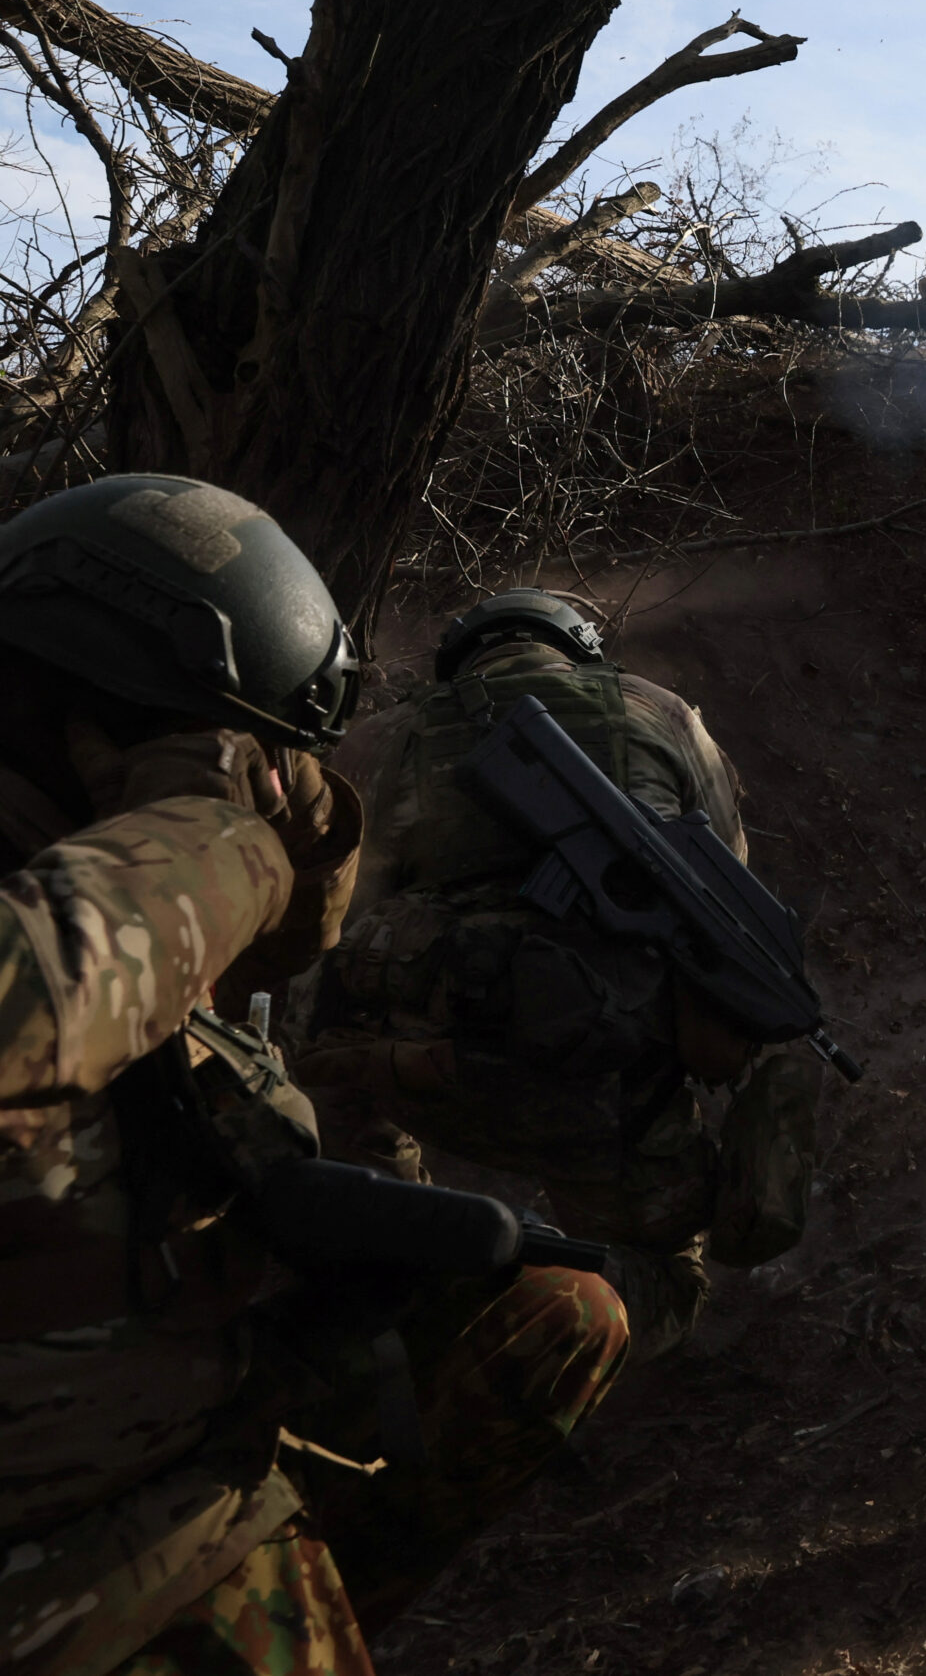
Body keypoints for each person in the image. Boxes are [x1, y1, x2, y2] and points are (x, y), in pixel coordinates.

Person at [0, 476, 627, 1674]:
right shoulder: (105, 892)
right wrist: (203, 826)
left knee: (551, 1316)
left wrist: (269, 810)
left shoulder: (107, 872)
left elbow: (290, 936)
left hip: (186, 1465)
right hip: (65, 1547)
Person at [295, 588, 816, 1366]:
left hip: (430, 1081)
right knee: (668, 1276)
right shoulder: (665, 716)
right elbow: (720, 892)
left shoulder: (386, 740)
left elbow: (328, 924)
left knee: (327, 1051)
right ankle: (564, 1330)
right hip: (608, 1096)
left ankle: (408, 1252)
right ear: (580, 649)